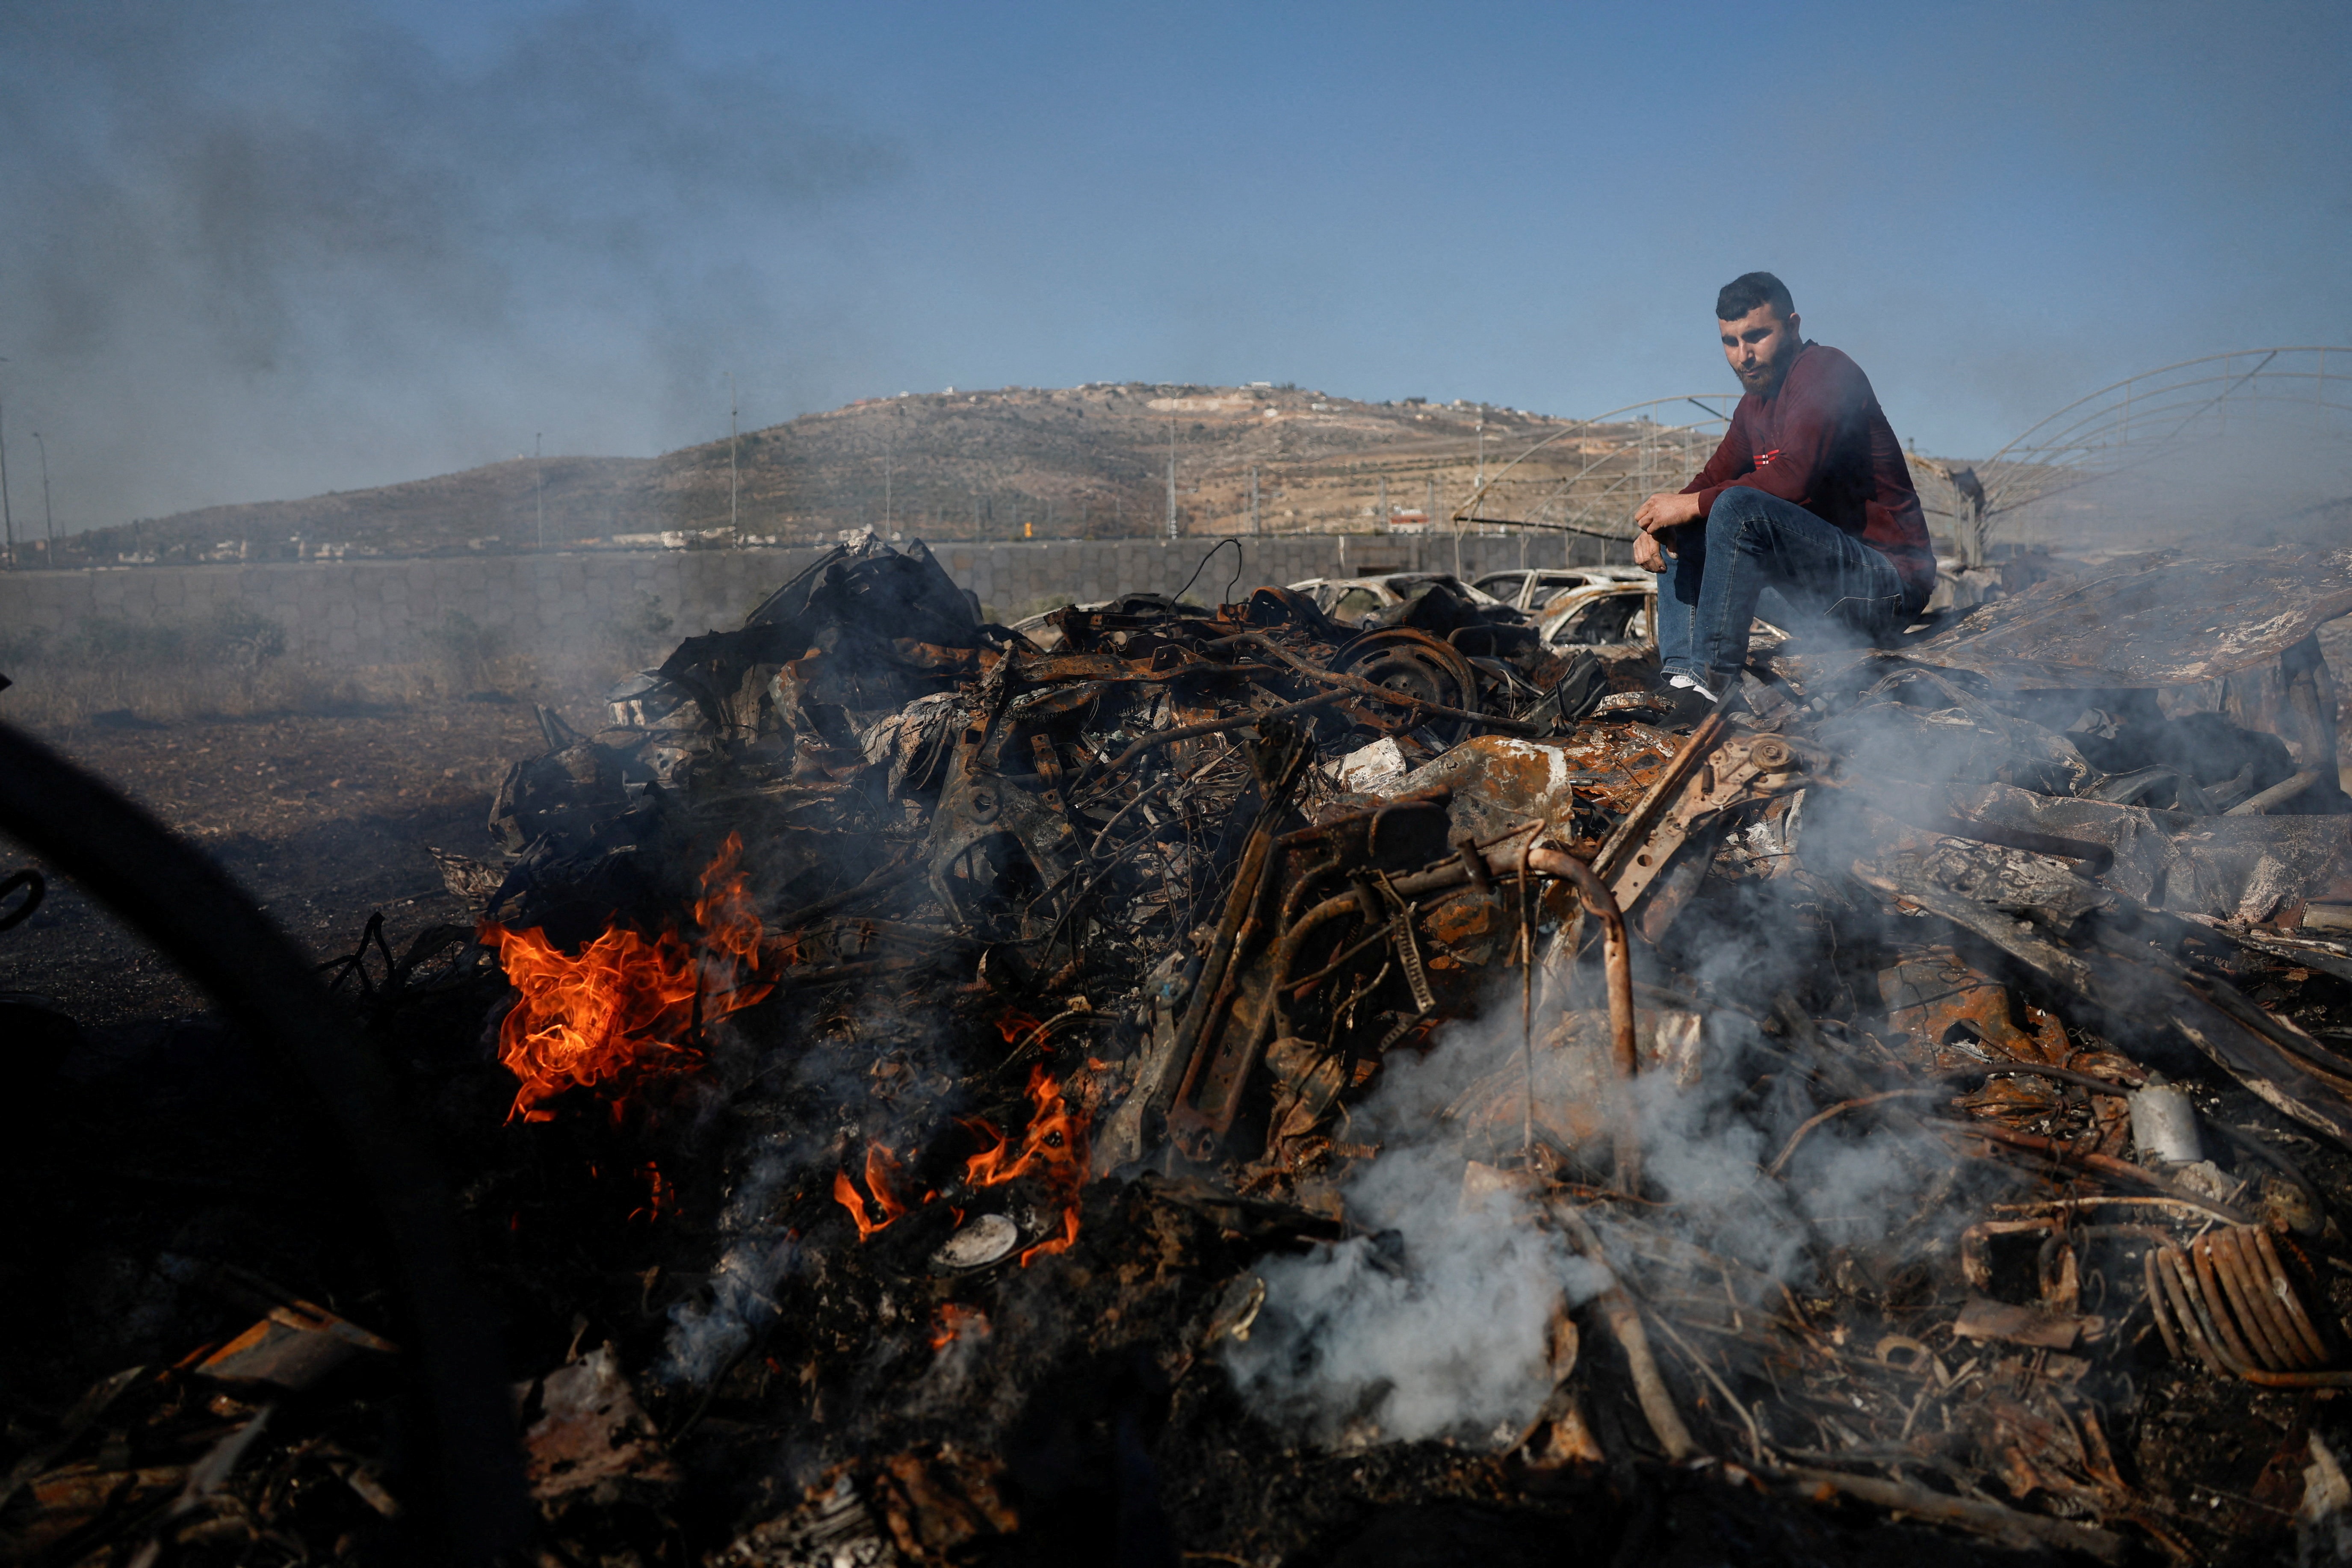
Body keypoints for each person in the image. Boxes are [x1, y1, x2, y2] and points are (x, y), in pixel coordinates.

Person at [1633, 272, 1935, 702]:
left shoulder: (1825, 371)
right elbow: (1709, 480)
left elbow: (1795, 475)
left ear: (1793, 327)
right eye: (1730, 342)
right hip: (1819, 598)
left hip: (1885, 588)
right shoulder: (1751, 408)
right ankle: (1682, 681)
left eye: (1757, 336)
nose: (1744, 356)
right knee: (1681, 524)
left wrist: (1690, 506)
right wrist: (1656, 526)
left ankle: (1711, 684)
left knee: (1734, 507)